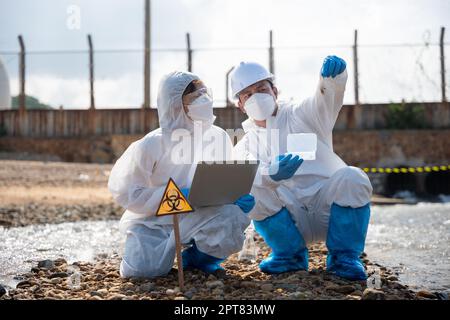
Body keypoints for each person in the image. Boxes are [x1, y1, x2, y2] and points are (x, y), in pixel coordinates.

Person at [231, 57, 373, 280]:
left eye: (261, 89)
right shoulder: (245, 145)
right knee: (251, 187)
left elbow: (326, 100)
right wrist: (270, 175)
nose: (256, 97)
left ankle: (344, 257)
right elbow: (244, 176)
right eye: (247, 94)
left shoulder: (302, 114)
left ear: (275, 91)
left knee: (353, 177)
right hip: (290, 221)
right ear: (239, 104)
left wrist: (332, 80)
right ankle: (289, 256)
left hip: (330, 210)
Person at [108, 71, 255, 278]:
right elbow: (126, 192)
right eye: (195, 97)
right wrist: (176, 196)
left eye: (205, 94)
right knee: (143, 272)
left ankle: (198, 259)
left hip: (199, 213)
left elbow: (223, 178)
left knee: (232, 217)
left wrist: (233, 197)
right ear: (175, 103)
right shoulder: (152, 143)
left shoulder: (218, 137)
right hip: (153, 220)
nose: (204, 100)